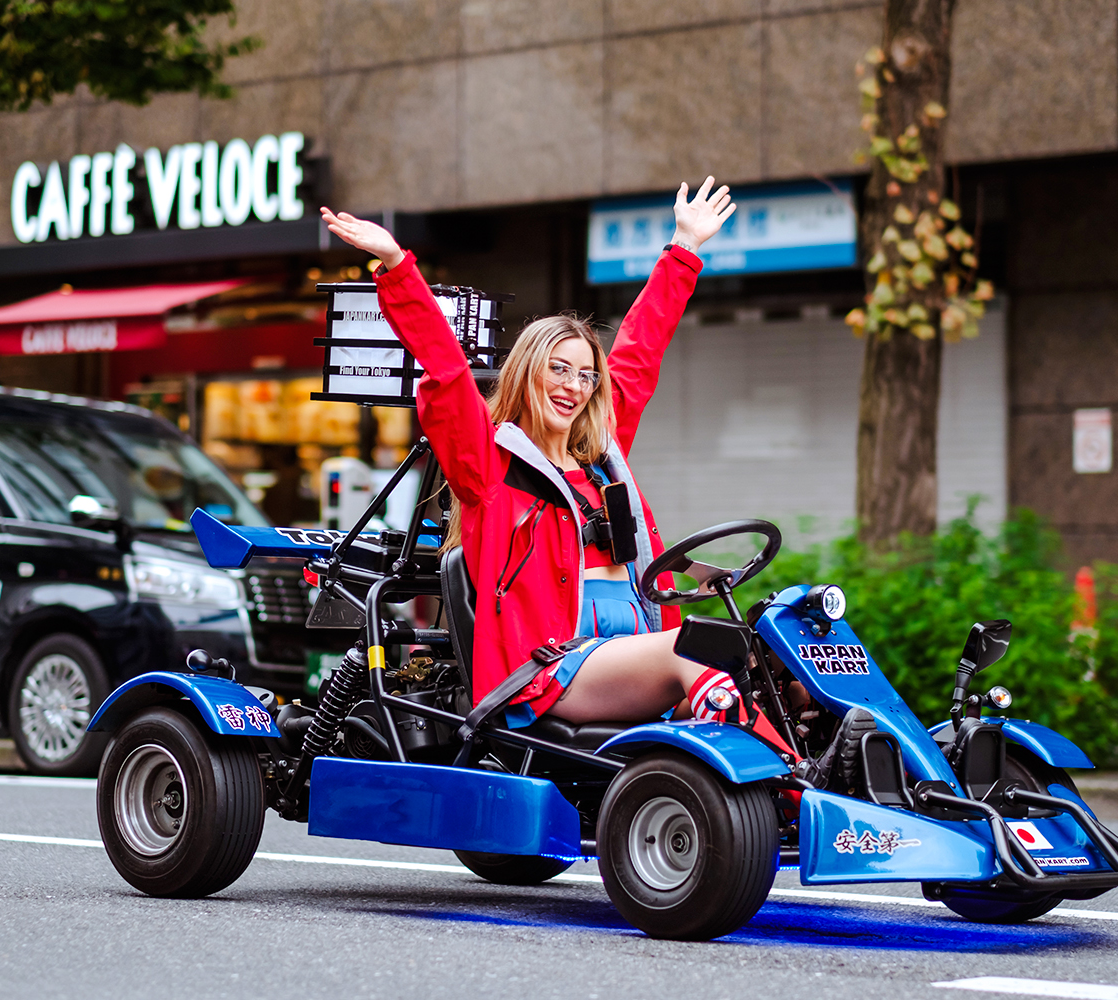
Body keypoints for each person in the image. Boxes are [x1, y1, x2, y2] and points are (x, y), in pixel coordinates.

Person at [320, 179, 777, 733]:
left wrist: (684, 247)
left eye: (586, 374)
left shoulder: (603, 458)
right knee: (694, 647)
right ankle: (785, 796)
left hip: (631, 656)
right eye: (558, 368)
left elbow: (637, 351)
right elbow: (446, 371)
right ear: (528, 372)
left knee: (768, 659)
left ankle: (837, 778)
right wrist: (396, 265)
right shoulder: (490, 467)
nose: (574, 385)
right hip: (545, 671)